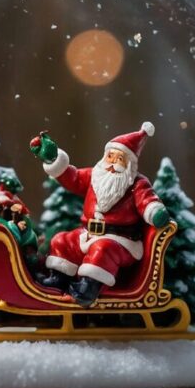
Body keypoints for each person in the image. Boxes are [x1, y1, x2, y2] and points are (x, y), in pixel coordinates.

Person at [29, 122, 170, 306]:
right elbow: (73, 178)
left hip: (120, 241)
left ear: (129, 164)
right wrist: (53, 159)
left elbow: (146, 200)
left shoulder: (137, 184)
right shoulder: (94, 175)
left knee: (102, 249)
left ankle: (88, 288)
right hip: (88, 233)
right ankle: (59, 279)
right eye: (110, 156)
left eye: (119, 159)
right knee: (62, 240)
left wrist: (155, 211)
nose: (112, 163)